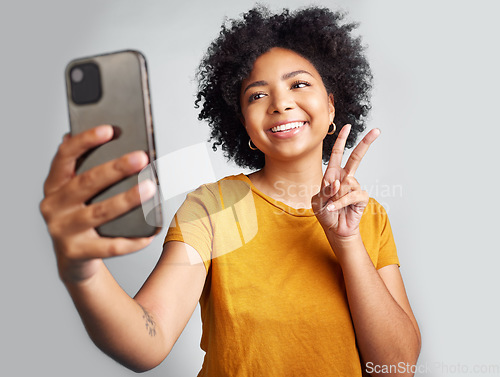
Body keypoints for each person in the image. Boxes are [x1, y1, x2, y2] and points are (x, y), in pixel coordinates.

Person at [40, 5, 421, 376]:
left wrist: (348, 242)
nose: (281, 103)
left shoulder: (367, 218)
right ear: (244, 125)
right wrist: (83, 271)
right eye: (257, 95)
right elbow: (147, 343)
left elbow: (396, 368)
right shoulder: (214, 207)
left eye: (299, 84)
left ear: (331, 105)